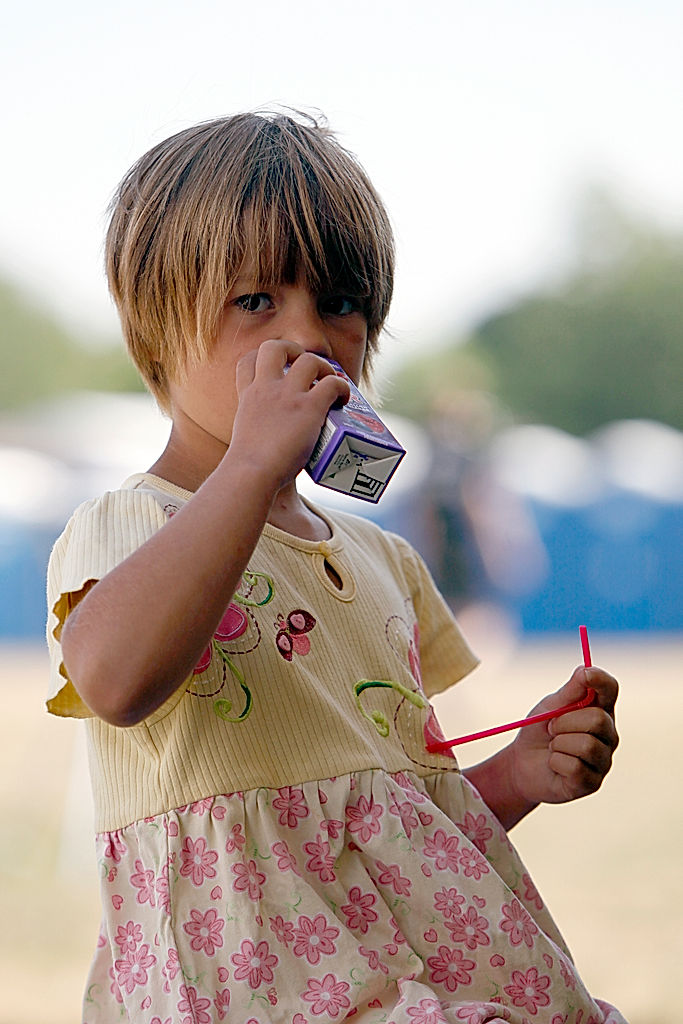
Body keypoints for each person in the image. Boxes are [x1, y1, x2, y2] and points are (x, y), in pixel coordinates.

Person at [46, 111, 626, 1024]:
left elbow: (395, 828)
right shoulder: (130, 527)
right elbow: (113, 680)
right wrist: (248, 468)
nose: (309, 334)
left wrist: (515, 777)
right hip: (258, 992)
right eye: (254, 301)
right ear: (155, 330)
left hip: (425, 979)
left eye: (342, 302)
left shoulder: (383, 560)